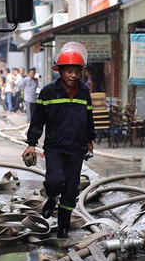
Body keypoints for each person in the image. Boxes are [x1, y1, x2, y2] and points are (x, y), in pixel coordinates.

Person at [22, 43, 95, 239]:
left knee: (71, 190)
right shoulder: (48, 92)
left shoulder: (84, 92)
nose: (73, 75)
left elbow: (89, 118)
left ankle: (63, 228)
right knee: (54, 181)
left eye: (76, 71)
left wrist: (90, 139)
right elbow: (38, 120)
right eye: (69, 71)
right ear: (60, 71)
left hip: (77, 149)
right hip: (54, 148)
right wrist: (31, 143)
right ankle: (52, 197)